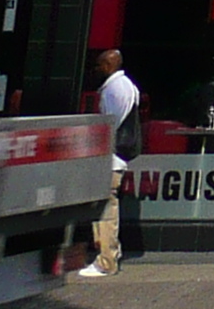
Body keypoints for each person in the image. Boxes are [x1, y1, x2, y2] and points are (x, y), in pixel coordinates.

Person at [78, 46, 142, 279]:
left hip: (110, 159)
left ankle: (106, 261)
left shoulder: (114, 89)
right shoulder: (127, 86)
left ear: (108, 66)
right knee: (106, 207)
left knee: (105, 210)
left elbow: (109, 125)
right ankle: (109, 254)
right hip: (117, 159)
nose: (96, 70)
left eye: (98, 65)